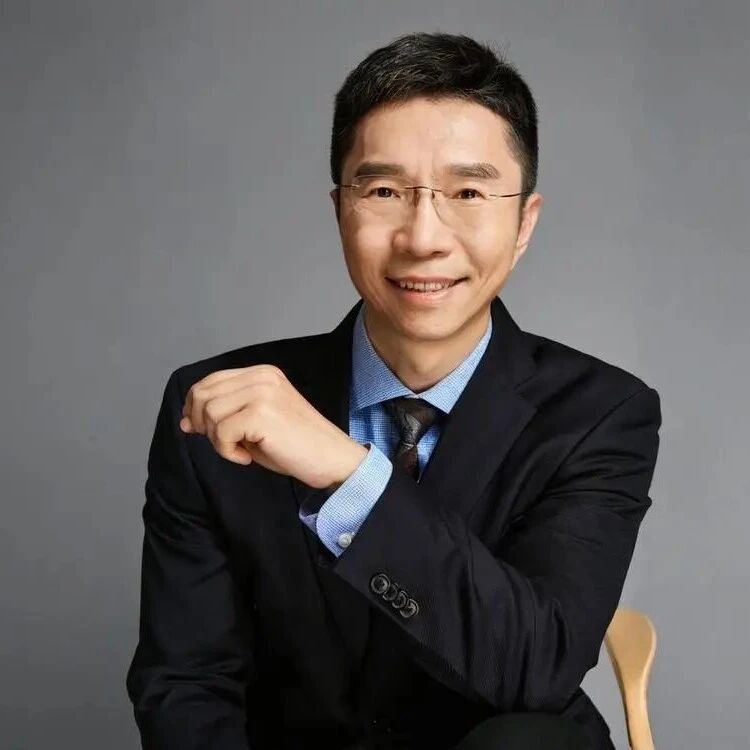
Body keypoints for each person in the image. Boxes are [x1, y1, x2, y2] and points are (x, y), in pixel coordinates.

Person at [126, 32, 662, 750]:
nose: (423, 237)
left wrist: (348, 475)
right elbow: (188, 683)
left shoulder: (602, 414)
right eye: (383, 191)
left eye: (468, 192)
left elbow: (536, 668)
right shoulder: (220, 405)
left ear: (523, 223)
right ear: (339, 210)